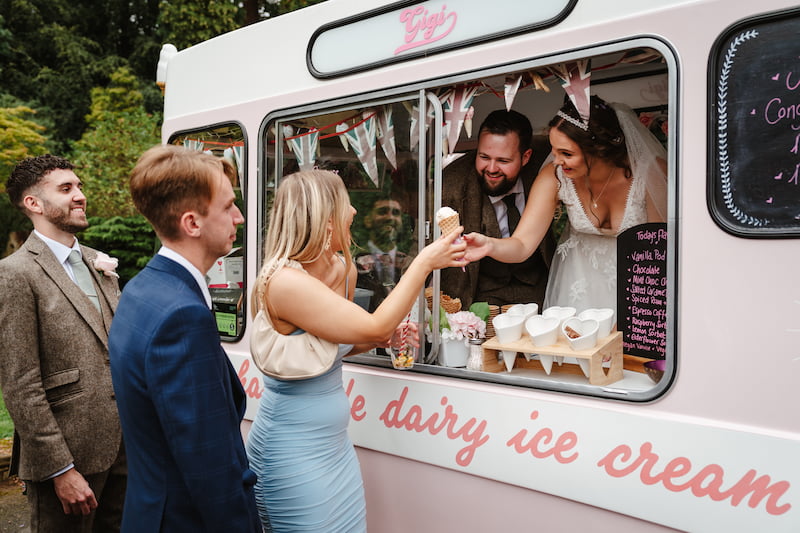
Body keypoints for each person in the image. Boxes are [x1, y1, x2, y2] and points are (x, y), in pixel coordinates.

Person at [245, 169, 466, 532]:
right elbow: (375, 323)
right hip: (293, 455)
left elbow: (337, 346)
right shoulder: (283, 282)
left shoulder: (341, 267)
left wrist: (386, 340)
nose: (354, 212)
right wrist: (424, 262)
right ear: (326, 218)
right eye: (347, 203)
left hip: (335, 452)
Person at [107, 145, 261, 532]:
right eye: (228, 207)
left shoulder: (142, 288)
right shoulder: (183, 316)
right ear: (192, 223)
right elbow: (208, 465)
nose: (239, 217)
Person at [0, 155, 126, 532]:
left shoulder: (97, 262)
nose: (80, 196)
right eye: (66, 189)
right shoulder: (14, 274)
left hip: (125, 450)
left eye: (80, 186)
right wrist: (60, 469)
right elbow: (21, 384)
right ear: (33, 204)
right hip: (68, 457)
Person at [464, 96, 668, 315]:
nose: (557, 160)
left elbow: (661, 252)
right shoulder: (556, 175)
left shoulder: (648, 174)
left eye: (567, 154)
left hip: (639, 287)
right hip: (578, 290)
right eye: (554, 150)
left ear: (597, 148)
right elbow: (522, 244)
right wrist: (489, 245)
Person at [440, 109, 555, 309]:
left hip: (541, 291)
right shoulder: (452, 183)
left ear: (526, 157)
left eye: (503, 161)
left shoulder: (546, 169)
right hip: (477, 297)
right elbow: (423, 245)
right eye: (484, 157)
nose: (491, 168)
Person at [354, 195, 414, 311]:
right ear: (368, 220)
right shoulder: (355, 264)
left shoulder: (410, 264)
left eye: (396, 213)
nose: (390, 217)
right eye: (382, 212)